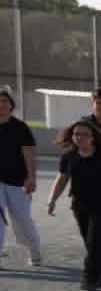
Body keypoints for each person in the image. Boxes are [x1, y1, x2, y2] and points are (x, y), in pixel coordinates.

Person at [46, 119, 101, 291]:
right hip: (81, 206)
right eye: (76, 134)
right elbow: (62, 180)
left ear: (93, 137)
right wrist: (52, 200)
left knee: (95, 243)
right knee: (93, 245)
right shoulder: (69, 157)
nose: (80, 137)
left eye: (84, 134)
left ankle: (89, 280)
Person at [0, 87, 43, 267]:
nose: (1, 104)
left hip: (17, 181)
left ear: (11, 105)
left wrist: (31, 177)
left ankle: (34, 249)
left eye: (5, 101)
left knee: (22, 220)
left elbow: (29, 154)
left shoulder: (20, 127)